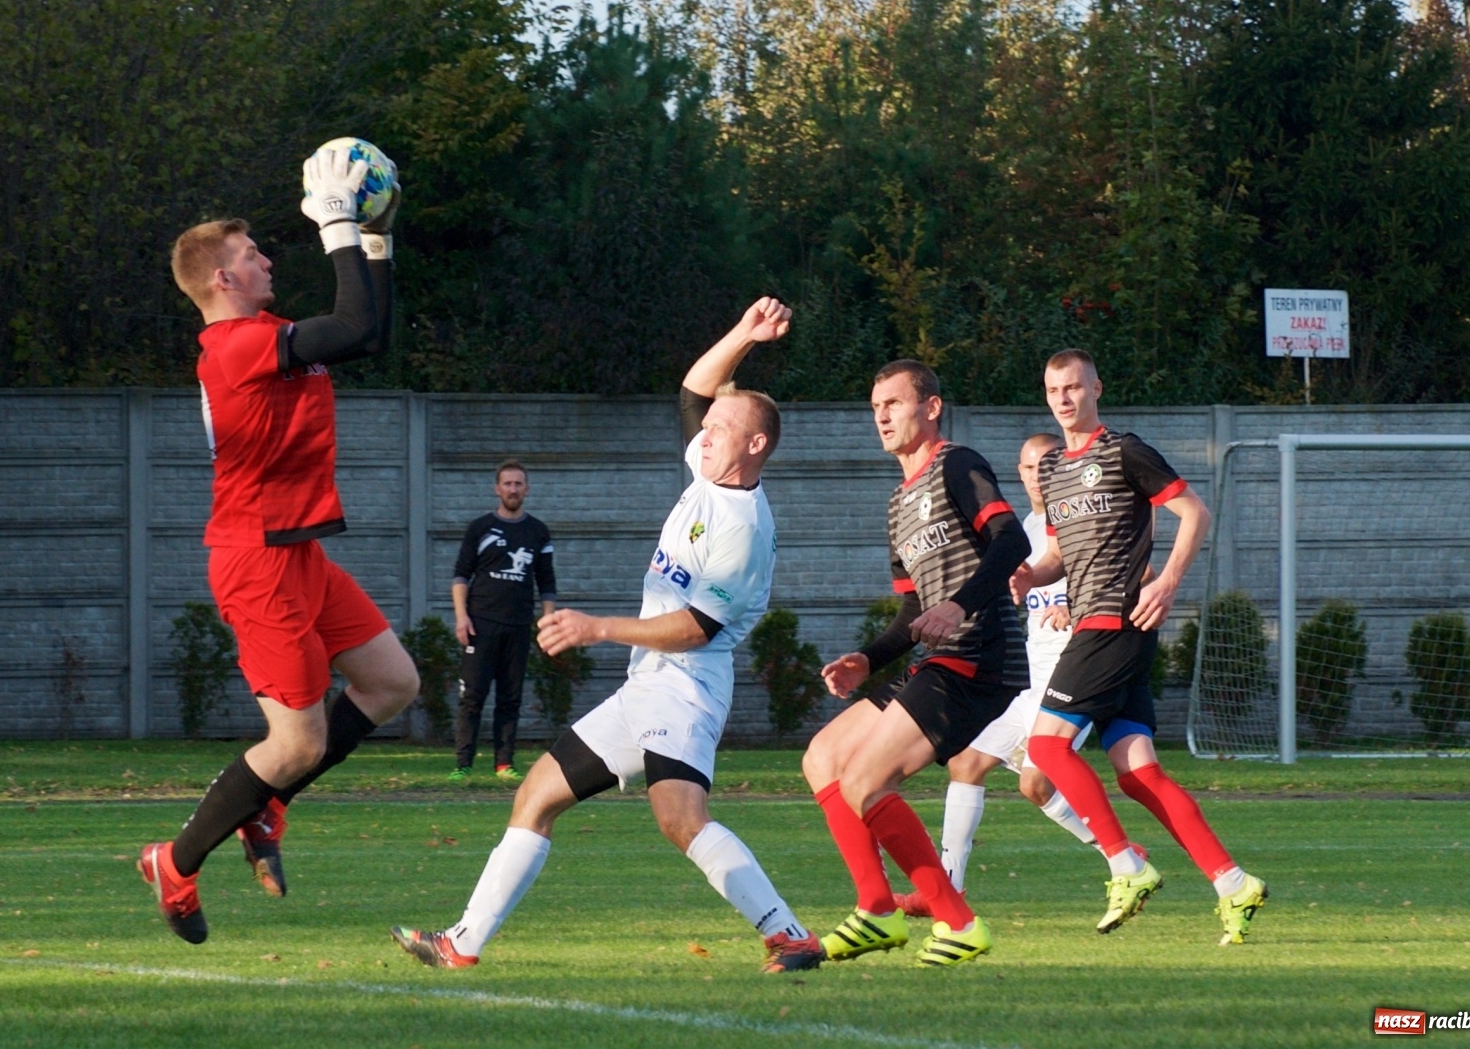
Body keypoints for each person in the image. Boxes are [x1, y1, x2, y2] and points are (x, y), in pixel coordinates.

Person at [390, 298, 826, 974]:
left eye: (720, 430)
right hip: (647, 684)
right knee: (537, 792)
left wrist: (596, 627)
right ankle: (461, 943)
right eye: (705, 429)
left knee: (680, 818)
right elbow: (692, 389)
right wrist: (745, 332)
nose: (703, 435)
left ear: (756, 444)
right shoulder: (708, 474)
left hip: (686, 688)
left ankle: (787, 932)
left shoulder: (743, 528)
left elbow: (694, 628)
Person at [138, 148, 419, 944]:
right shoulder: (232, 347)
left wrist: (375, 238)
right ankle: (178, 860)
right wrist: (336, 220)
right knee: (296, 740)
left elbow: (367, 339)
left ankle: (269, 810)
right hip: (256, 559)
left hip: (296, 552)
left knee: (392, 682)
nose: (266, 259)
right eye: (251, 254)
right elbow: (355, 324)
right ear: (220, 279)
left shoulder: (266, 333)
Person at [1011, 348, 1268, 945]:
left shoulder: (1124, 450)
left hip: (1114, 622)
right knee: (1136, 774)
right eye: (1055, 391)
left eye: (1074, 387)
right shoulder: (1052, 471)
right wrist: (1030, 575)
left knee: (1047, 749)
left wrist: (1169, 581)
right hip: (1097, 626)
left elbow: (1193, 511)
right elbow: (1058, 555)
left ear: (1096, 388)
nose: (1065, 399)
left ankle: (1126, 865)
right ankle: (1232, 882)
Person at [801, 360, 1032, 967]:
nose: (881, 415)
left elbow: (1013, 542)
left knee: (866, 781)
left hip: (981, 657)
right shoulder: (899, 504)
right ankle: (877, 911)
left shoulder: (958, 464)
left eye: (894, 403)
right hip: (939, 659)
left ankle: (958, 923)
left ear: (930, 408)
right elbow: (911, 614)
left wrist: (958, 607)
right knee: (823, 758)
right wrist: (866, 659)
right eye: (875, 405)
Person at [891, 432, 1117, 917]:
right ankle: (948, 891)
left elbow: (1125, 576)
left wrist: (1077, 607)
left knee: (1035, 784)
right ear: (1019, 474)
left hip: (1072, 669)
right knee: (965, 764)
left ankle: (1120, 858)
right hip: (1028, 672)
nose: (1038, 475)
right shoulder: (1026, 529)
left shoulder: (1080, 517)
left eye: (1047, 464)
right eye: (1029, 467)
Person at [449, 460, 558, 782]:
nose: (513, 489)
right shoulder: (480, 528)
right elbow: (460, 575)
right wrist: (461, 617)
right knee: (472, 697)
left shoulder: (537, 531)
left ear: (527, 489)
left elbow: (547, 582)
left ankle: (503, 764)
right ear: (497, 488)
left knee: (510, 698)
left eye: (518, 484)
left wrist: (548, 621)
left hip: (518, 626)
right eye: (507, 483)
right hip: (480, 625)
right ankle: (462, 765)